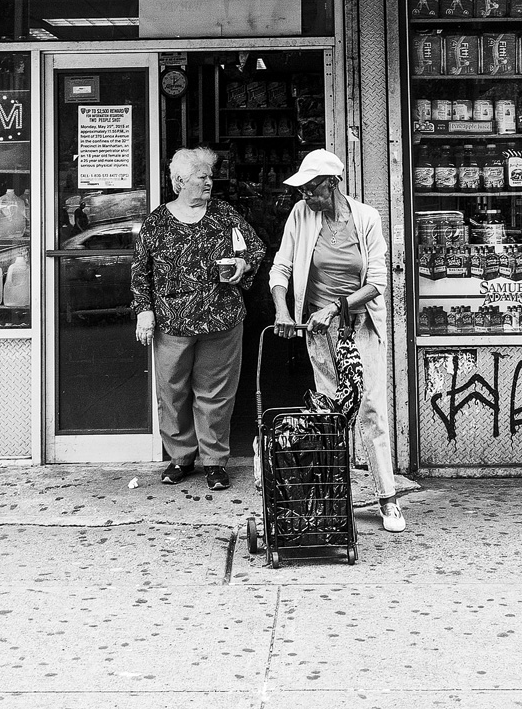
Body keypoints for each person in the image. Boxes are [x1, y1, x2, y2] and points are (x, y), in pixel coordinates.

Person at [269, 149, 403, 532]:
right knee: (329, 416)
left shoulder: (366, 218)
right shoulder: (301, 215)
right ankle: (333, 499)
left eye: (313, 190)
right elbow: (282, 266)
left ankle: (387, 499)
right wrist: (282, 309)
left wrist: (337, 307)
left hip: (359, 325)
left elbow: (378, 282)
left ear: (333, 184)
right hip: (319, 329)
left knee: (371, 410)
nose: (306, 197)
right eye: (303, 191)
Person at [132, 147, 265, 491]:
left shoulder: (225, 214)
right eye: (201, 177)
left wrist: (243, 263)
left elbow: (256, 248)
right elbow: (140, 272)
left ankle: (215, 461)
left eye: (210, 176)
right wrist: (144, 311)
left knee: (215, 394)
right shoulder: (157, 221)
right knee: (172, 391)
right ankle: (181, 457)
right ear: (179, 181)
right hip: (171, 322)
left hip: (221, 319)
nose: (209, 181)